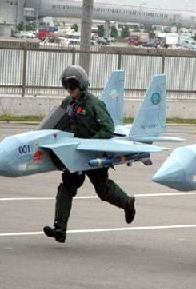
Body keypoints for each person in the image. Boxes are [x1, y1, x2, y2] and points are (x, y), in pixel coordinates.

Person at [43, 65, 136, 243]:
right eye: (67, 87)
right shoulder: (68, 103)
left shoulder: (94, 104)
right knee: (67, 187)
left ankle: (127, 203)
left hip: (93, 154)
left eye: (72, 87)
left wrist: (90, 142)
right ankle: (59, 228)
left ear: (82, 85)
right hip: (73, 155)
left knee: (103, 191)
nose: (70, 91)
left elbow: (108, 128)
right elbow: (57, 123)